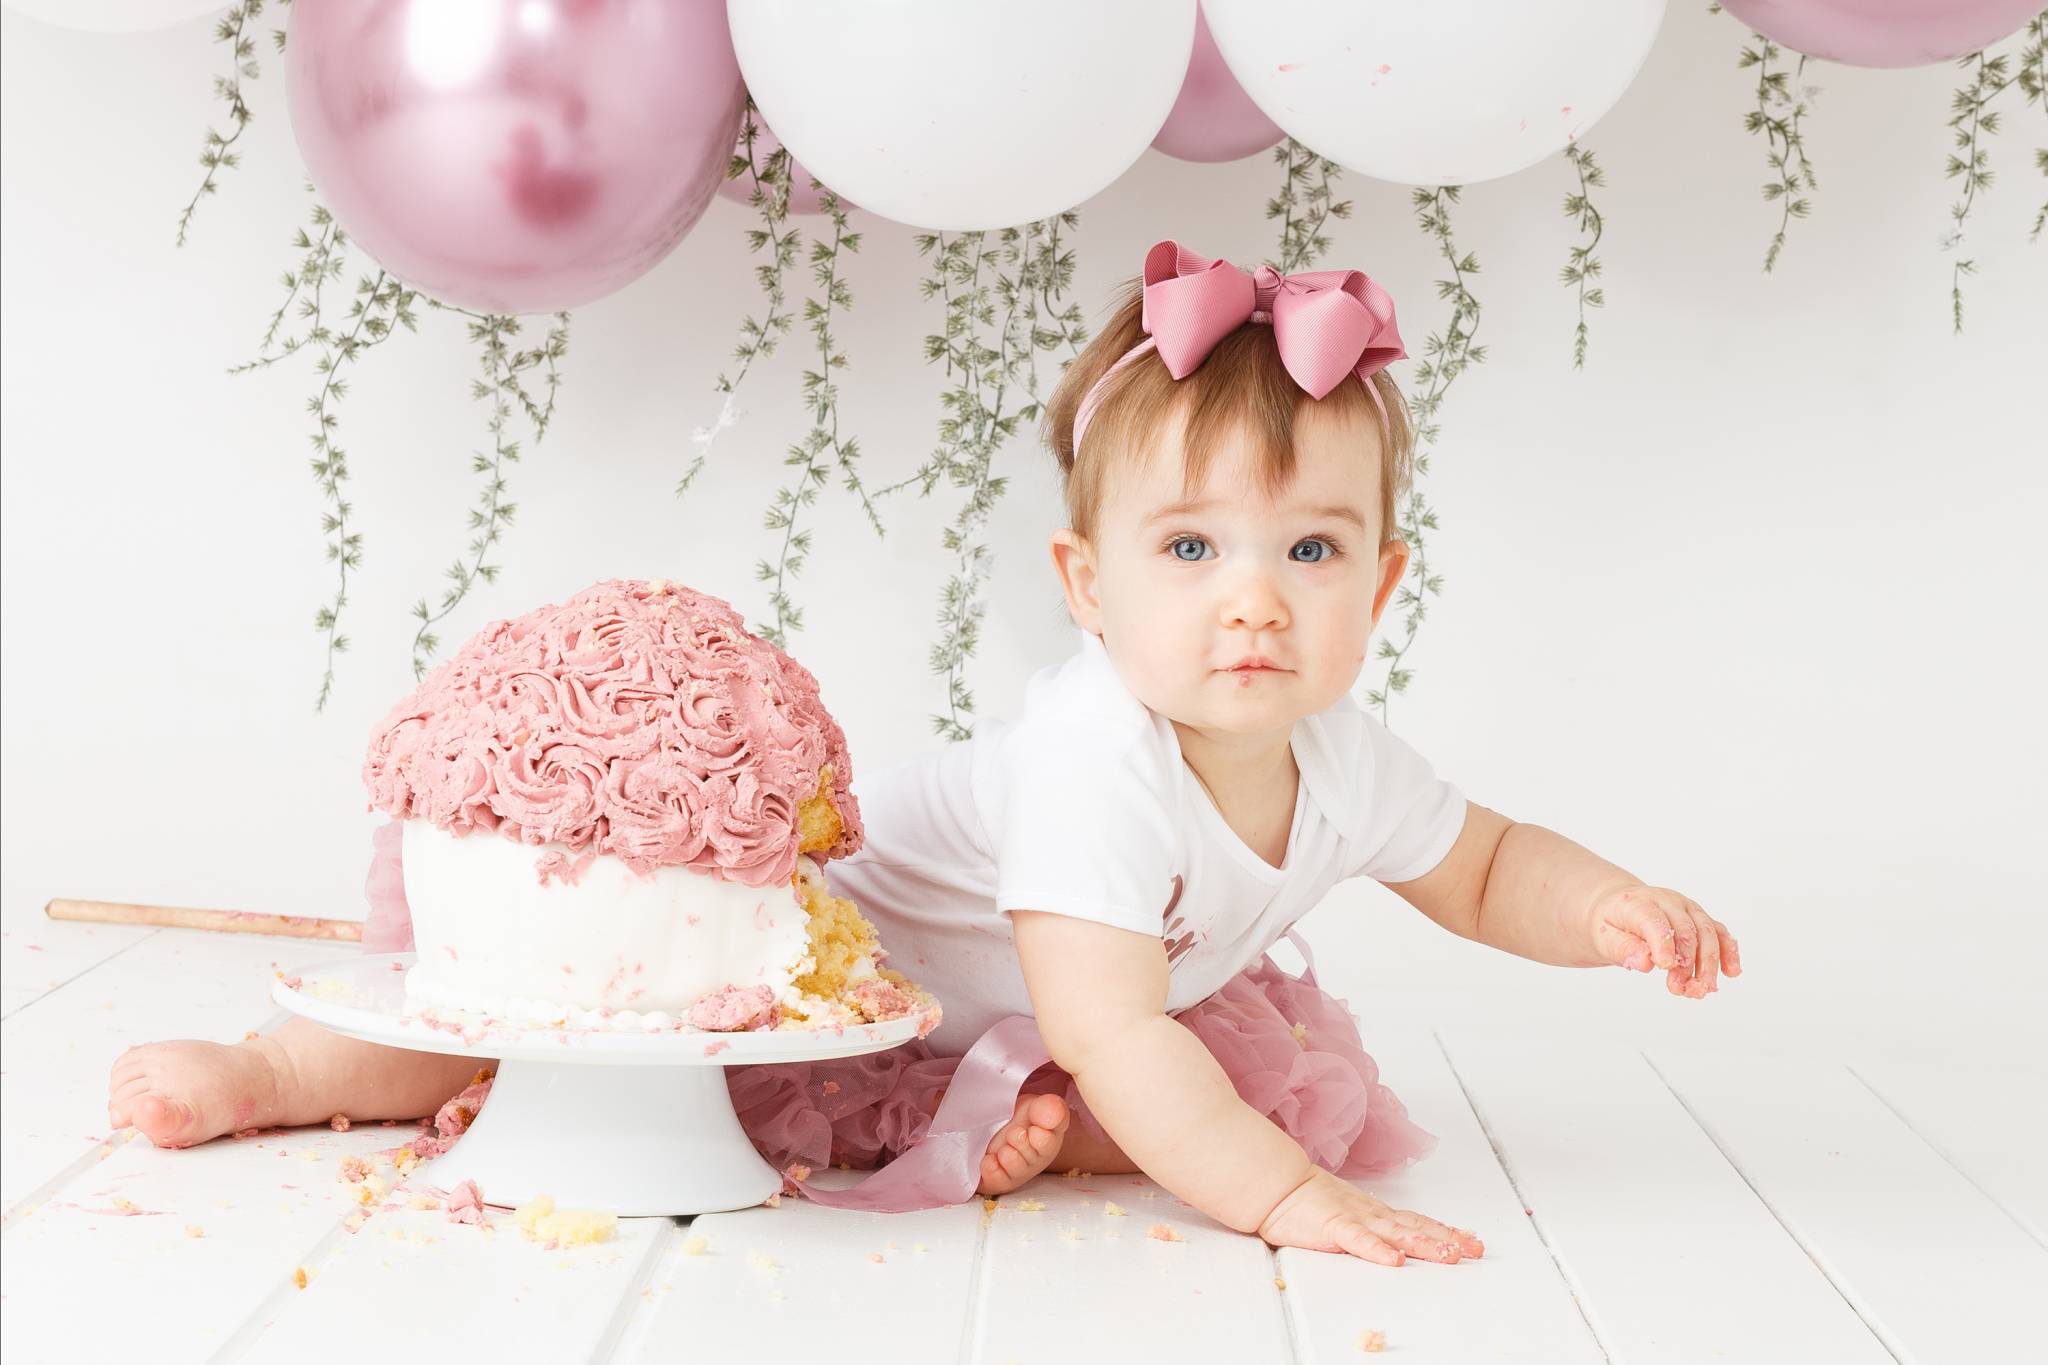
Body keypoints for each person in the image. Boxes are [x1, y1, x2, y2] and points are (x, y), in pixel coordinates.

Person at [108, 239, 1739, 1267]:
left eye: (1309, 552)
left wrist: (1608, 907)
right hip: (806, 952)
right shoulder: (1100, 759)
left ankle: (1016, 1118)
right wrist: (1283, 1201)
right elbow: (1117, 1025)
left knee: (1219, 1068)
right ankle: (279, 1076)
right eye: (1190, 552)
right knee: (564, 1031)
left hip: (1058, 1014)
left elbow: (1488, 864)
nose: (1255, 602)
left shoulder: (1344, 753)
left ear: (1381, 583)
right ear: (1087, 589)